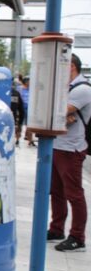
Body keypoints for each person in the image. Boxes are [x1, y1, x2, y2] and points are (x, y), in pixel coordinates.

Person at [48, 53, 91, 252]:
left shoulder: (82, 89)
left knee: (74, 193)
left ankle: (78, 237)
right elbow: (60, 114)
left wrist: (62, 114)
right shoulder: (67, 88)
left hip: (72, 148)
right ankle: (57, 229)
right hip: (58, 144)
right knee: (56, 191)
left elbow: (59, 112)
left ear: (71, 66)